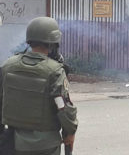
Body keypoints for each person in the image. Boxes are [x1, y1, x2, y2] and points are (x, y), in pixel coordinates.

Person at [0, 17, 78, 155]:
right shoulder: (55, 71)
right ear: (53, 43)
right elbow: (63, 107)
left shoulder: (8, 66)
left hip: (12, 142)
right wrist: (70, 133)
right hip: (45, 145)